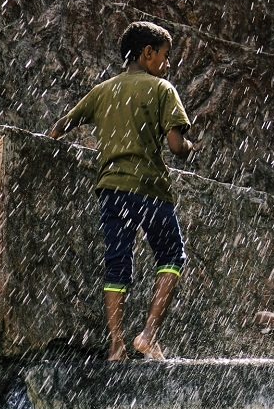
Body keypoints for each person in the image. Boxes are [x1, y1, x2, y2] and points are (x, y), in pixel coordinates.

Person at [48, 21, 194, 361]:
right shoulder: (161, 88)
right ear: (147, 54)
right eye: (165, 55)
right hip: (150, 188)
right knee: (172, 257)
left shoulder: (103, 91)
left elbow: (59, 127)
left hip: (112, 191)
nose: (168, 63)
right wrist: (189, 146)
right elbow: (174, 145)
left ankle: (115, 345)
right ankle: (148, 334)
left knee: (117, 265)